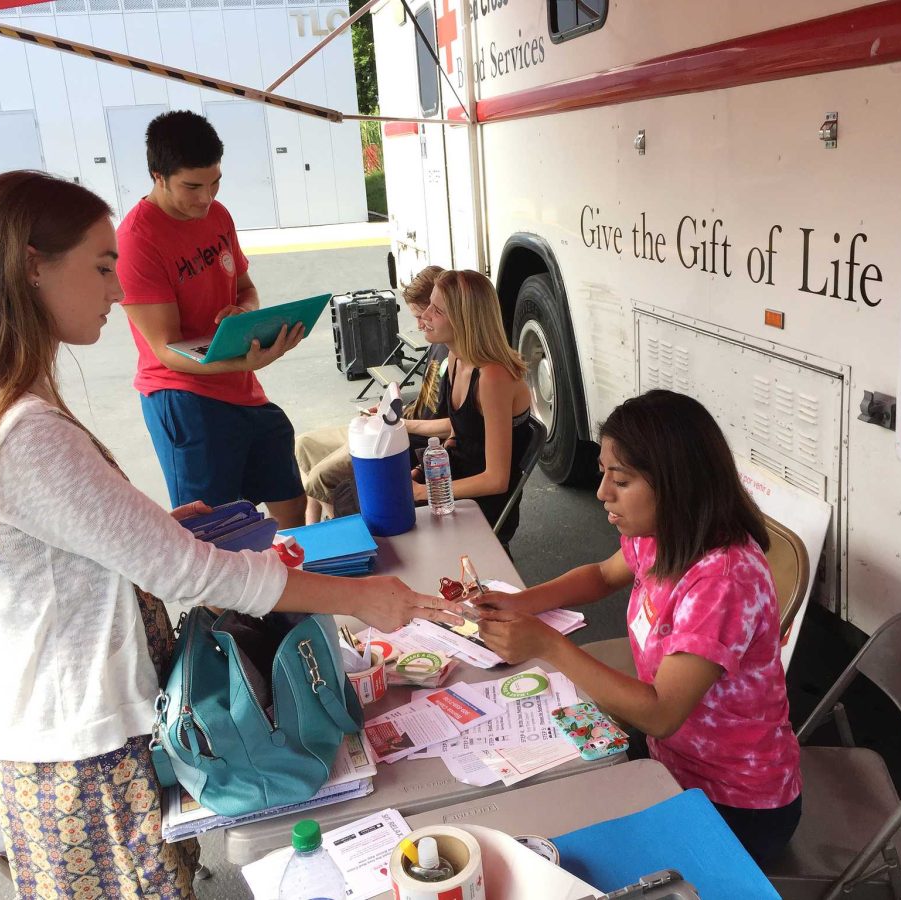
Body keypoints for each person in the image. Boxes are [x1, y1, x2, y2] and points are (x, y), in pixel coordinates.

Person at [0, 171, 461, 899]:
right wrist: (360, 596)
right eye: (102, 266)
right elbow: (191, 575)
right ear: (30, 265)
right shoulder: (23, 433)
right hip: (85, 752)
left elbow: (31, 559)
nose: (118, 291)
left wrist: (139, 534)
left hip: (74, 733)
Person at [475, 390, 802, 864]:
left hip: (735, 802)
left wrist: (546, 643)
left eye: (621, 480)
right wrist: (520, 601)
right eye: (604, 473)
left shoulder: (723, 581)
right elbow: (603, 575)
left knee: (574, 856)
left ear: (676, 484)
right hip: (668, 762)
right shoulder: (662, 536)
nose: (603, 492)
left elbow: (660, 712)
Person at [117, 110, 308, 528]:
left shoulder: (218, 215)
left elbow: (246, 289)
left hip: (243, 388)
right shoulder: (137, 241)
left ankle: (301, 585)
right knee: (215, 534)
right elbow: (166, 350)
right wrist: (244, 362)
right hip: (184, 397)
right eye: (192, 186)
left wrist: (247, 313)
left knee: (292, 503)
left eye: (214, 182)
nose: (206, 198)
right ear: (158, 176)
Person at [295, 266, 449, 523]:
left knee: (319, 478)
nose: (420, 324)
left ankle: (341, 531)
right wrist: (391, 411)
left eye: (427, 314)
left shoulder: (456, 356)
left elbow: (453, 424)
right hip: (396, 427)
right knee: (304, 444)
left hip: (403, 441)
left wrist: (401, 423)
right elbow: (429, 402)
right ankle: (315, 527)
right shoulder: (438, 345)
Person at [406, 270, 532, 541]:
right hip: (456, 481)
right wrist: (424, 471)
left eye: (436, 309)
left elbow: (496, 480)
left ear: (464, 321)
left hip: (483, 504)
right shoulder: (455, 357)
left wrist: (422, 491)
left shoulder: (493, 377)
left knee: (390, 518)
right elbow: (460, 434)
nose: (424, 315)